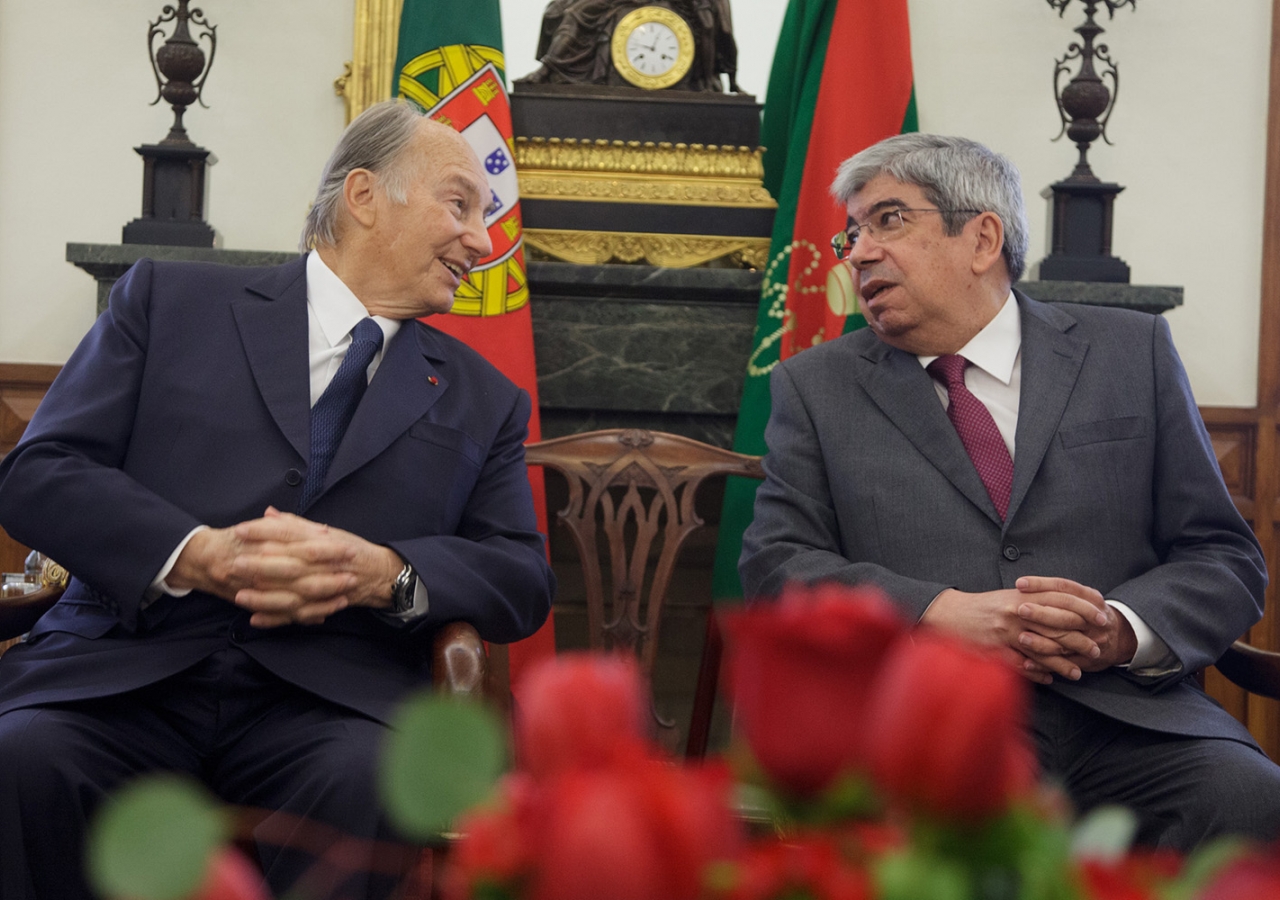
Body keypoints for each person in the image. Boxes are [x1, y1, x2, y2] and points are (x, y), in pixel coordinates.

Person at [0, 100, 554, 899]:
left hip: (327, 705)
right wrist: (194, 553)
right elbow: (40, 473)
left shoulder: (484, 399)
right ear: (364, 197)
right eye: (460, 204)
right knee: (22, 757)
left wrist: (387, 574)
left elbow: (520, 575)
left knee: (368, 783)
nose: (484, 240)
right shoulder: (167, 304)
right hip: (123, 675)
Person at [740, 132, 1280, 850]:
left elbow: (1223, 556)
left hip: (1129, 720)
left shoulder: (1132, 352)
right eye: (852, 235)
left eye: (889, 220)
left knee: (1249, 798)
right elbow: (778, 566)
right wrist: (937, 613)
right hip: (927, 723)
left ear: (982, 237)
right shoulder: (815, 387)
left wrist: (1119, 629)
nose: (859, 252)